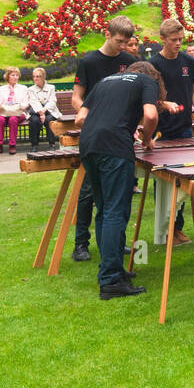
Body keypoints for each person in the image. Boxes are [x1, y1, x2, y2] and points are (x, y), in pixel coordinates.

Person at [76, 61, 163, 299]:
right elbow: (151, 114)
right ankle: (111, 280)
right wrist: (146, 138)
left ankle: (110, 269)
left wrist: (119, 124)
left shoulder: (106, 80)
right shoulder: (147, 81)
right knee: (116, 211)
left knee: (104, 210)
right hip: (114, 147)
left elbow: (80, 118)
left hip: (88, 144)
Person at [70, 16, 137, 263]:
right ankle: (81, 244)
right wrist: (92, 115)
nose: (122, 46)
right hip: (95, 134)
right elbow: (77, 98)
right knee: (89, 190)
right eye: (119, 41)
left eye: (127, 42)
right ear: (106, 34)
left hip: (120, 136)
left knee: (121, 189)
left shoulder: (129, 61)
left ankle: (116, 241)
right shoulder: (89, 61)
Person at [149, 17, 194, 247]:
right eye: (174, 40)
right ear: (162, 39)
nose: (178, 43)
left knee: (184, 177)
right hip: (162, 130)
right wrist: (164, 104)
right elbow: (150, 99)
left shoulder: (187, 61)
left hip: (185, 128)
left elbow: (193, 90)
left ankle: (176, 227)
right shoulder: (154, 64)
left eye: (181, 39)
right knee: (163, 180)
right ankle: (164, 226)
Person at [0, 67, 31, 154]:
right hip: (4, 112)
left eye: (17, 75)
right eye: (12, 75)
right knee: (0, 119)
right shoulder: (1, 89)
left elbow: (26, 103)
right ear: (8, 76)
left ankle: (12, 145)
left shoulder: (23, 88)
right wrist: (4, 108)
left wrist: (17, 106)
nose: (15, 77)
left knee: (13, 119)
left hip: (19, 112)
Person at [26, 67, 61, 148]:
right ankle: (34, 145)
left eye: (37, 76)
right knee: (34, 120)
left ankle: (51, 143)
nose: (35, 78)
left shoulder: (51, 87)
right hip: (36, 111)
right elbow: (34, 102)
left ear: (43, 77)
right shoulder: (31, 89)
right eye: (34, 76)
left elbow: (52, 101)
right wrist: (41, 113)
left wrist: (44, 110)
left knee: (49, 120)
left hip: (49, 110)